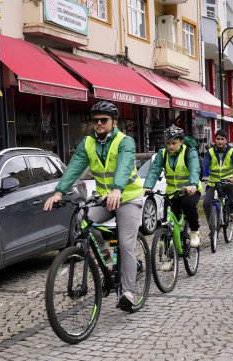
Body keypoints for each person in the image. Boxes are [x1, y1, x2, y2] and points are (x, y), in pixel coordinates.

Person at [44, 101, 143, 312]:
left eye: (103, 120)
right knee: (82, 220)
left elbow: (125, 166)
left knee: (126, 244)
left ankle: (128, 293)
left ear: (114, 122)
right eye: (95, 120)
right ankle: (105, 258)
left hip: (128, 198)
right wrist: (59, 192)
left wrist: (117, 189)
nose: (98, 123)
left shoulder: (125, 142)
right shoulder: (87, 143)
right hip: (104, 199)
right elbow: (74, 168)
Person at [144, 125, 202, 249]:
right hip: (171, 192)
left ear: (181, 142)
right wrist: (148, 186)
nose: (170, 146)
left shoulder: (189, 152)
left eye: (174, 143)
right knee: (167, 223)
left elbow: (194, 168)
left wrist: (192, 184)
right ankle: (169, 255)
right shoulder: (163, 154)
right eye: (168, 143)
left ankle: (194, 231)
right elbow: (154, 170)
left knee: (187, 205)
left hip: (190, 191)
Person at [202, 129, 233, 219]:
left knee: (230, 187)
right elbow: (204, 164)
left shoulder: (232, 152)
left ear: (226, 140)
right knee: (206, 203)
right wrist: (199, 175)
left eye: (222, 139)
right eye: (218, 139)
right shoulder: (210, 152)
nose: (220, 141)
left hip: (227, 181)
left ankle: (232, 204)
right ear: (215, 140)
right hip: (213, 183)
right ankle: (212, 228)